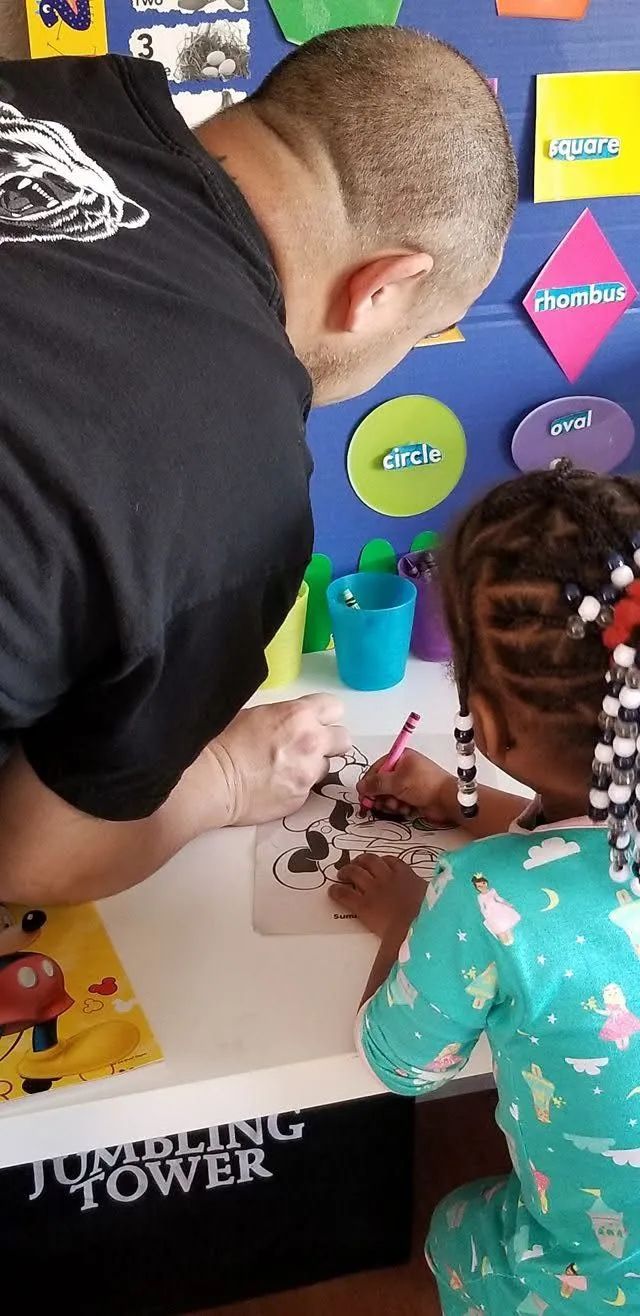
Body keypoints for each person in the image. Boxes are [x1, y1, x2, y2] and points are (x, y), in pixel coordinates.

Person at [0, 27, 517, 904]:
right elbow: (27, 856)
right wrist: (228, 780)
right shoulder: (237, 492)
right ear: (385, 286)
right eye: (423, 334)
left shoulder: (57, 90)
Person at [330, 464, 640, 1313]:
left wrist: (402, 919)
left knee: (454, 1227)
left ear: (490, 723)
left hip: (593, 1290)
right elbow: (591, 833)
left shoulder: (478, 898)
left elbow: (398, 1067)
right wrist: (451, 799)